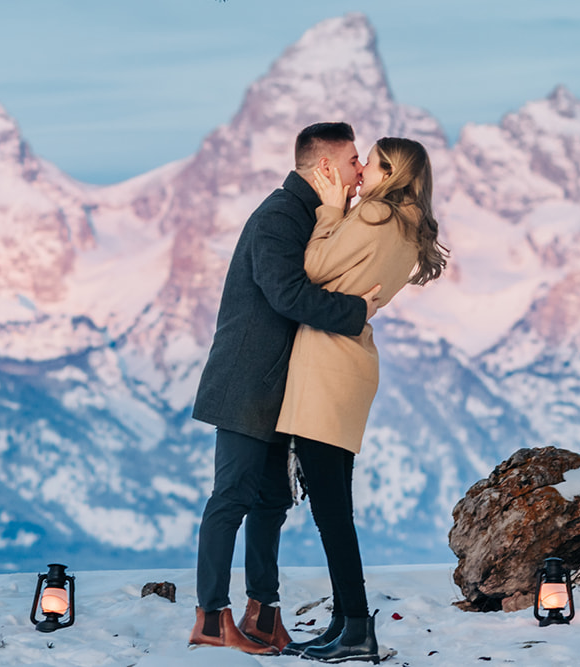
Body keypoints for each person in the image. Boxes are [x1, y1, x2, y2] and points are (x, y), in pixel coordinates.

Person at [189, 122, 384, 655]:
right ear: (324, 168)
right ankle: (211, 617)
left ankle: (264, 612)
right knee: (231, 497)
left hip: (280, 386)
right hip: (247, 382)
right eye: (352, 162)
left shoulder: (313, 217)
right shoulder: (279, 216)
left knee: (272, 501)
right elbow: (287, 295)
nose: (360, 172)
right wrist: (356, 311)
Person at [276, 137, 447, 663]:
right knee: (334, 507)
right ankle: (344, 622)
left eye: (369, 162)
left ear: (391, 171)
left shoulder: (375, 216)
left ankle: (355, 629)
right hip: (346, 366)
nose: (361, 170)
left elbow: (311, 267)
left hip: (327, 367)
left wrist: (329, 214)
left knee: (332, 510)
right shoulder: (407, 226)